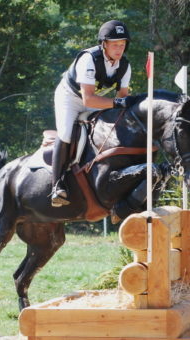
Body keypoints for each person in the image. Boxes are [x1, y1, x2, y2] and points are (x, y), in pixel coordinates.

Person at [51, 19, 138, 207]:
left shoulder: (124, 65)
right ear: (104, 44)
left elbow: (122, 101)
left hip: (95, 99)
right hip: (70, 97)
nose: (119, 48)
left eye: (122, 44)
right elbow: (88, 99)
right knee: (66, 133)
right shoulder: (89, 59)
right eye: (115, 44)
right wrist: (117, 103)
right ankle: (56, 184)